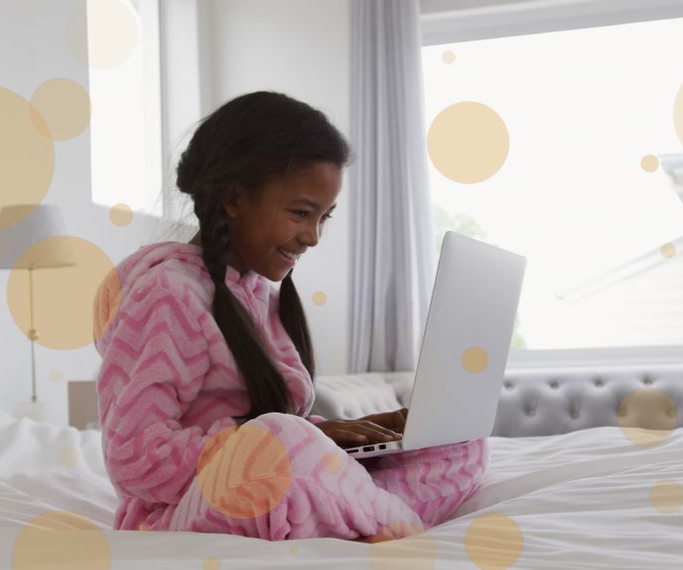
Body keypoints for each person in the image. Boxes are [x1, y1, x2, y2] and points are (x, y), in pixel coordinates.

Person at [93, 91, 489, 542]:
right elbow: (132, 457)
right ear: (234, 197)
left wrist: (353, 436)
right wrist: (292, 438)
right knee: (279, 439)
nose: (314, 237)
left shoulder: (262, 293)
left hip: (271, 482)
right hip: (176, 513)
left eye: (324, 217)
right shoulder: (167, 296)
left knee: (460, 442)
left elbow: (283, 437)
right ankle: (384, 522)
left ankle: (354, 507)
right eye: (301, 213)